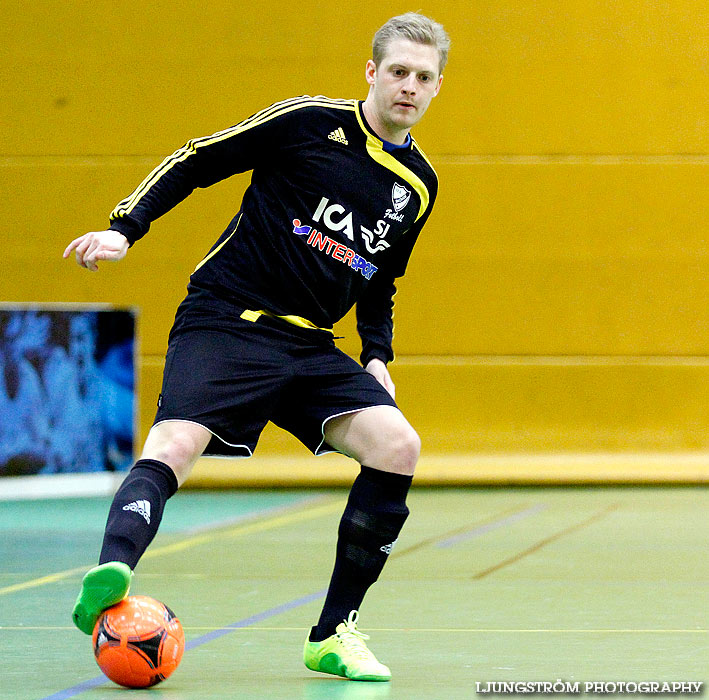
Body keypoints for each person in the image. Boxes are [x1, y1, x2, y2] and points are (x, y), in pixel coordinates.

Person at [64, 11, 449, 682]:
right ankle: (113, 568)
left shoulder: (417, 187)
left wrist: (375, 355)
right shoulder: (306, 121)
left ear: (436, 86)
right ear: (371, 72)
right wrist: (126, 229)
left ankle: (332, 635)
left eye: (422, 77)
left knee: (398, 444)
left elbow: (382, 278)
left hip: (308, 347)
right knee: (175, 445)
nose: (407, 87)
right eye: (396, 72)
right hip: (225, 322)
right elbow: (198, 159)